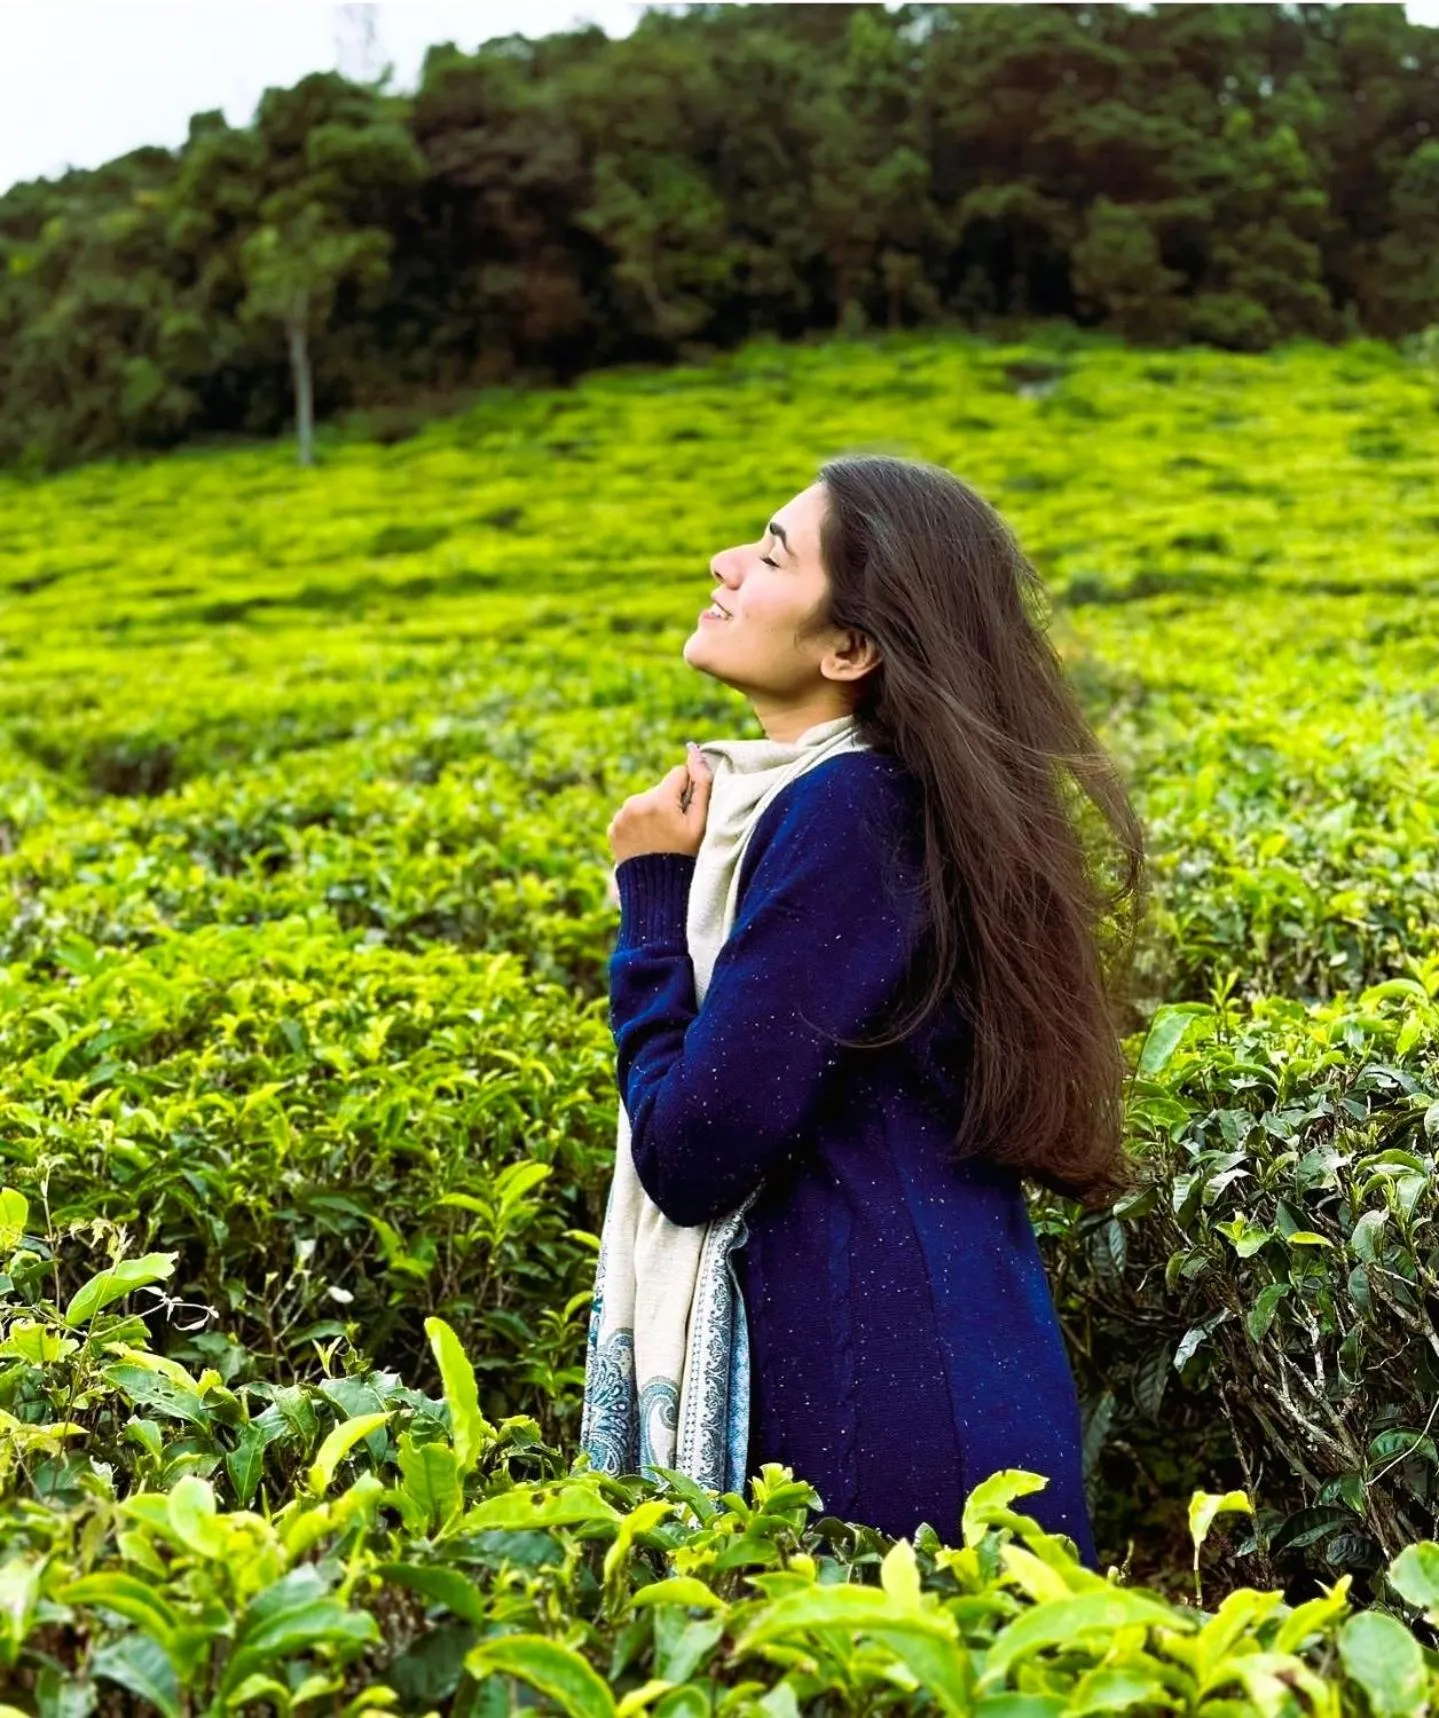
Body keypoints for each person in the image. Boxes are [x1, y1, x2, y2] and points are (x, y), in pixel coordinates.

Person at [603, 453, 1147, 1570]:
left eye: (769, 556)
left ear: (848, 649)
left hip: (876, 1397)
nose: (722, 563)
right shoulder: (879, 798)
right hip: (922, 1350)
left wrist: (651, 902)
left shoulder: (851, 808)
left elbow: (692, 1152)